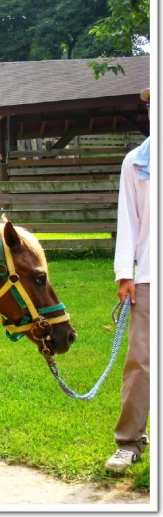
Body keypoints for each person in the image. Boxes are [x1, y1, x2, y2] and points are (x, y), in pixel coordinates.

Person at [105, 87, 151, 473]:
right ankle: (129, 442)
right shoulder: (136, 162)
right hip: (151, 276)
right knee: (141, 360)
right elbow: (129, 220)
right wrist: (125, 273)